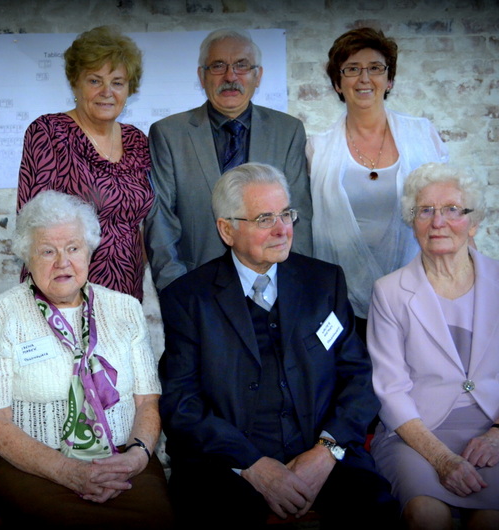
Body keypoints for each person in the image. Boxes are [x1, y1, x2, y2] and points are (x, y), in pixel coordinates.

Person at [158, 162, 397, 527]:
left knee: (375, 508)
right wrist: (252, 465)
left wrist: (326, 451)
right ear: (227, 229)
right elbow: (182, 404)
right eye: (264, 219)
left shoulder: (324, 282)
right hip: (227, 464)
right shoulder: (188, 298)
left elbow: (359, 379)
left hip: (322, 452)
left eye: (286, 214)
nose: (283, 229)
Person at [0, 191, 173, 529]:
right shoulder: (0, 317)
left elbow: (148, 401)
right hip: (31, 465)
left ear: (89, 252)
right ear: (28, 258)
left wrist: (136, 456)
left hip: (121, 458)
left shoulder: (125, 309)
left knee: (157, 522)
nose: (62, 262)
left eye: (73, 248)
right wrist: (68, 471)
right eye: (48, 251)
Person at [367, 163, 499, 529]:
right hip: (415, 435)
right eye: (425, 211)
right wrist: (441, 458)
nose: (438, 222)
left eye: (452, 209)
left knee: (492, 522)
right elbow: (389, 390)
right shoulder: (389, 292)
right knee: (426, 516)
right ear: (413, 222)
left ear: (473, 222)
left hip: (493, 430)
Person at [307, 27, 449, 338]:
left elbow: (450, 206)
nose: (364, 78)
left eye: (375, 68)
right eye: (352, 69)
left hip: (417, 289)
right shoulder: (317, 149)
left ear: (390, 80)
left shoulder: (422, 135)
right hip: (342, 297)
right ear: (337, 83)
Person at [145, 28, 312, 291]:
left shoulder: (288, 131)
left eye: (242, 65)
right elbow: (160, 221)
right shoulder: (168, 134)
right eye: (218, 66)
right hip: (196, 288)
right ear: (201, 76)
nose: (230, 76)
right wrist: (177, 292)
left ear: (258, 76)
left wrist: (295, 290)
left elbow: (299, 216)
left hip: (271, 285)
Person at [17, 26, 152, 301]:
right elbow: (34, 225)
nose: (107, 92)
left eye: (117, 82)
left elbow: (144, 223)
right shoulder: (49, 132)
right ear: (75, 83)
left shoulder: (137, 140)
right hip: (65, 291)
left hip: (126, 292)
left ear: (129, 89)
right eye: (94, 81)